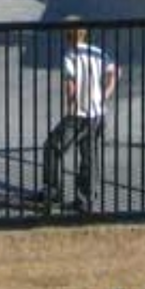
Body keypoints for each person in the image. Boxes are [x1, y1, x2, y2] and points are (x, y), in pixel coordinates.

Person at [40, 22, 118, 213]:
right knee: (88, 156)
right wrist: (103, 96)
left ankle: (52, 192)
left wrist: (70, 106)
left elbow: (71, 85)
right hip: (98, 114)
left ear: (67, 36)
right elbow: (114, 72)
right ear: (84, 35)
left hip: (79, 114)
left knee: (52, 146)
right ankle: (86, 200)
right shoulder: (97, 51)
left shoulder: (71, 55)